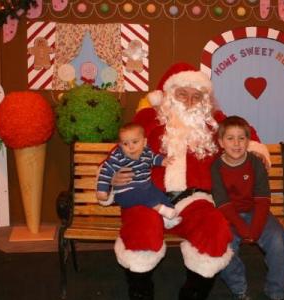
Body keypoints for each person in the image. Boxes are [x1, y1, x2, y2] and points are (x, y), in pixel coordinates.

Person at [111, 62, 271, 300]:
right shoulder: (148, 119)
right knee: (142, 229)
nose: (188, 101)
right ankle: (141, 291)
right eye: (182, 94)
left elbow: (244, 131)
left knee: (215, 228)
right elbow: (120, 150)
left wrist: (255, 150)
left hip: (195, 199)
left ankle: (194, 292)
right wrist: (113, 176)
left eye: (196, 96)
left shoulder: (213, 123)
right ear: (168, 95)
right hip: (148, 194)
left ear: (204, 100)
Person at [211, 116, 284, 300]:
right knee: (223, 246)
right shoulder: (216, 167)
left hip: (257, 212)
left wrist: (254, 228)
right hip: (229, 217)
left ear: (248, 141)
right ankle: (239, 289)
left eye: (241, 138)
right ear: (221, 142)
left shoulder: (255, 162)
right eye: (230, 138)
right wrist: (242, 228)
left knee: (278, 238)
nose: (236, 143)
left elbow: (262, 198)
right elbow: (222, 203)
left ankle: (276, 291)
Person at [96, 122, 181, 229]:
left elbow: (153, 158)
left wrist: (163, 161)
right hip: (125, 193)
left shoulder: (146, 152)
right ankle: (160, 209)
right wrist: (102, 190)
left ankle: (168, 218)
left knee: (159, 194)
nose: (130, 147)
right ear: (121, 144)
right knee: (141, 194)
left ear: (144, 142)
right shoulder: (117, 156)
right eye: (125, 144)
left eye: (135, 142)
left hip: (146, 187)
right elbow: (106, 171)